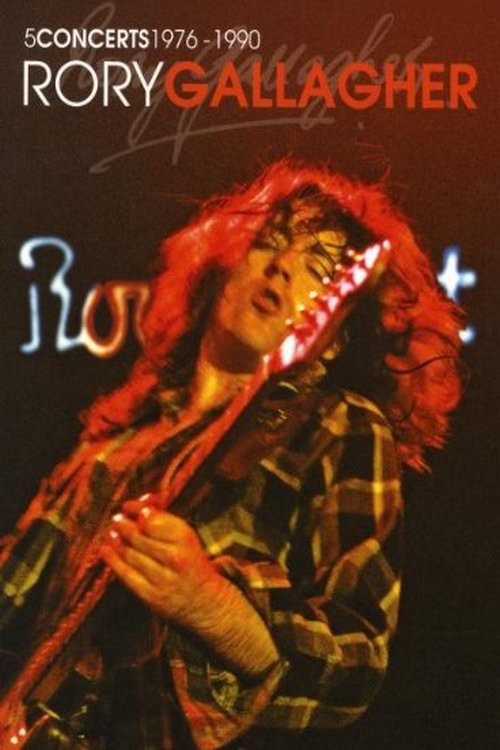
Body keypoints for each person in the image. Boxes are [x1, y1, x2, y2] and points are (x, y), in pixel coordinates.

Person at [0, 161, 463, 749]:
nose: (282, 267)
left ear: (334, 339)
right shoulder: (113, 444)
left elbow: (358, 663)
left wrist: (215, 606)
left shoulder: (339, 427)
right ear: (221, 266)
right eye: (270, 242)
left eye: (317, 269)